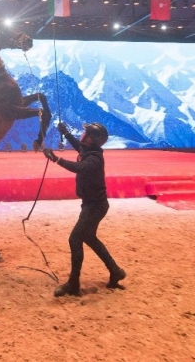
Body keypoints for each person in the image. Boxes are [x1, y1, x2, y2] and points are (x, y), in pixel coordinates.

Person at [43, 121, 126, 297]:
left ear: (91, 140)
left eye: (86, 134)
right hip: (92, 204)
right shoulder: (89, 150)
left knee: (75, 239)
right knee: (90, 238)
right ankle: (115, 270)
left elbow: (79, 167)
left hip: (95, 207)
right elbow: (78, 146)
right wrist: (65, 133)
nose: (82, 136)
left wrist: (56, 159)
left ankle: (74, 283)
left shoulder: (94, 159)